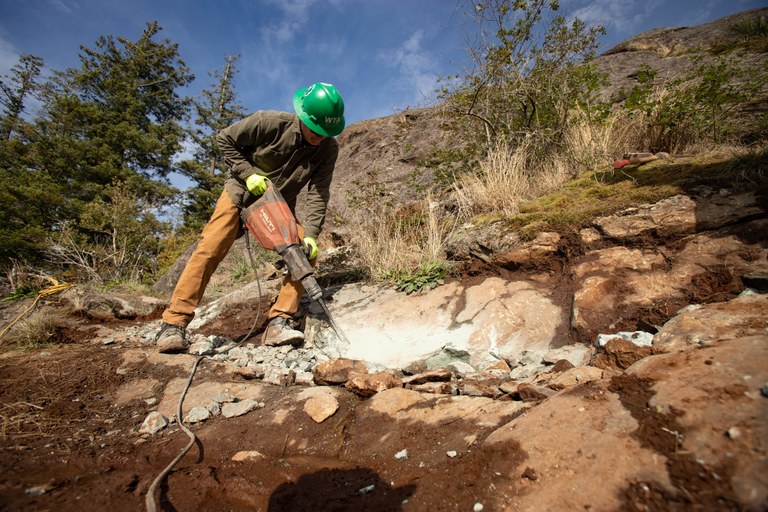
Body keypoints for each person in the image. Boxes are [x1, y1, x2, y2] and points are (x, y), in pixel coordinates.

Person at [155, 82, 345, 353]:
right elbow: (224, 138)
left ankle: (279, 320)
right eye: (315, 130)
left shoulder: (328, 149)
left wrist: (312, 233)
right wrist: (248, 173)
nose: (320, 137)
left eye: (326, 133)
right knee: (210, 247)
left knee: (304, 252)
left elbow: (318, 193)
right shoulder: (269, 122)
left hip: (278, 205)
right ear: (304, 117)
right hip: (239, 193)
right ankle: (174, 323)